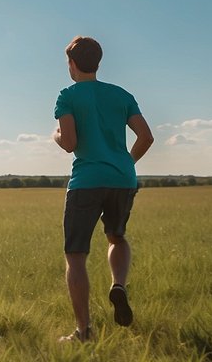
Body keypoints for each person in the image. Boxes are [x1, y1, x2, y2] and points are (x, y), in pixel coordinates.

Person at [53, 36, 154, 342]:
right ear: (97, 62)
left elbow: (70, 144)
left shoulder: (67, 96)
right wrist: (125, 163)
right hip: (122, 179)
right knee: (117, 237)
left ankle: (84, 331)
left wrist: (55, 135)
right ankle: (118, 285)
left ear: (72, 64)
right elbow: (146, 137)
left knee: (75, 256)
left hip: (86, 181)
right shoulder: (121, 95)